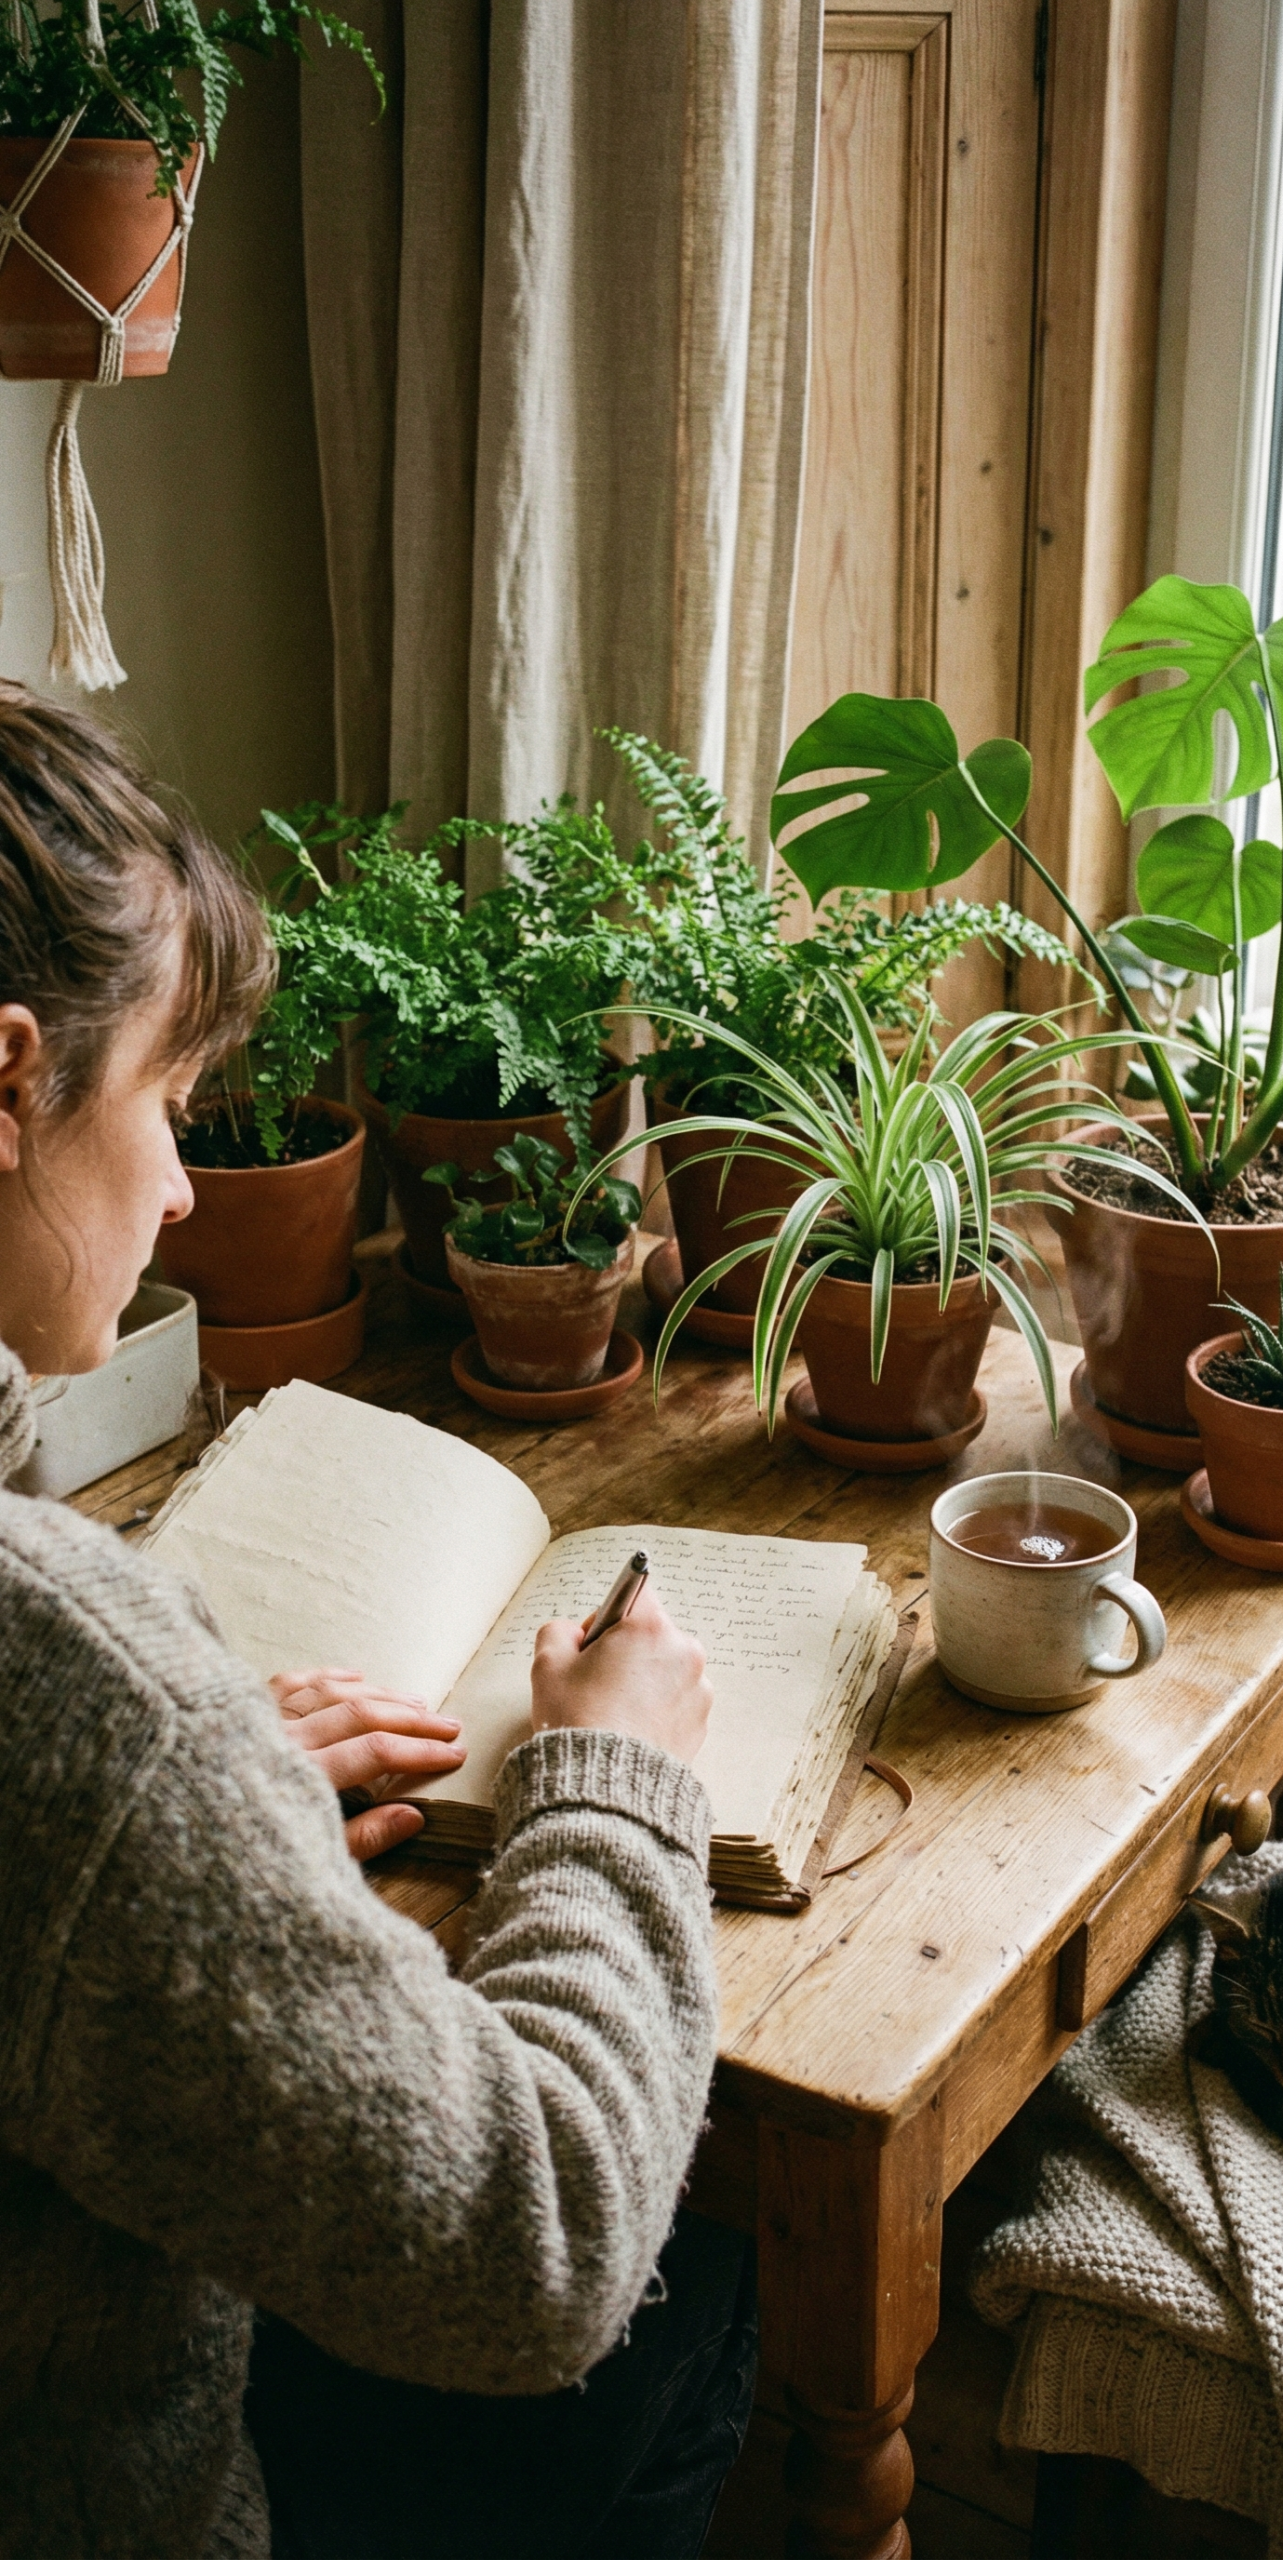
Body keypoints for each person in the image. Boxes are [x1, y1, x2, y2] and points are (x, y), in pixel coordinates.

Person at [0, 683, 757, 2560]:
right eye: (167, 1104)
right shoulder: (77, 1700)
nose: (184, 1190)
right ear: (8, 1085)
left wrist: (188, 1812)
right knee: (698, 2314)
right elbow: (539, 2245)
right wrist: (611, 1787)